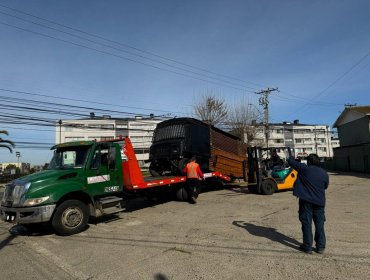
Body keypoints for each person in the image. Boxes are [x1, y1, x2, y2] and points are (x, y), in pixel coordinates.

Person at [288, 154, 329, 254]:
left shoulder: (304, 169)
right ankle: (320, 247)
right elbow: (325, 186)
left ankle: (307, 247)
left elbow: (290, 161)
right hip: (319, 202)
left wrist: (292, 157)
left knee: (306, 223)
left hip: (306, 202)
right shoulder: (324, 173)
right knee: (319, 224)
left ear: (308, 162)